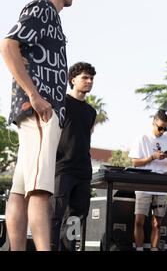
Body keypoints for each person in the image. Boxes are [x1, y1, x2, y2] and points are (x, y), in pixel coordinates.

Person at [0, 0, 87, 251]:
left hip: (36, 109)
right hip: (40, 110)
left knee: (20, 190)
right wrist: (35, 96)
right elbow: (8, 45)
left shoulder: (48, 14)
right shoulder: (42, 9)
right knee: (40, 191)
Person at [50, 62, 97, 251]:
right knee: (54, 215)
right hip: (62, 167)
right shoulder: (60, 102)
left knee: (76, 217)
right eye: (85, 77)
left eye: (91, 78)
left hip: (83, 170)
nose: (89, 81)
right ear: (72, 80)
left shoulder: (91, 111)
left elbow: (87, 137)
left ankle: (68, 249)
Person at [129, 110, 167, 251]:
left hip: (161, 185)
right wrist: (152, 157)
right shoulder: (142, 138)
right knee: (139, 221)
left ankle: (154, 249)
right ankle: (139, 248)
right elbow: (134, 163)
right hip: (144, 184)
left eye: (165, 128)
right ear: (153, 123)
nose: (163, 131)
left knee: (157, 223)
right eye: (160, 127)